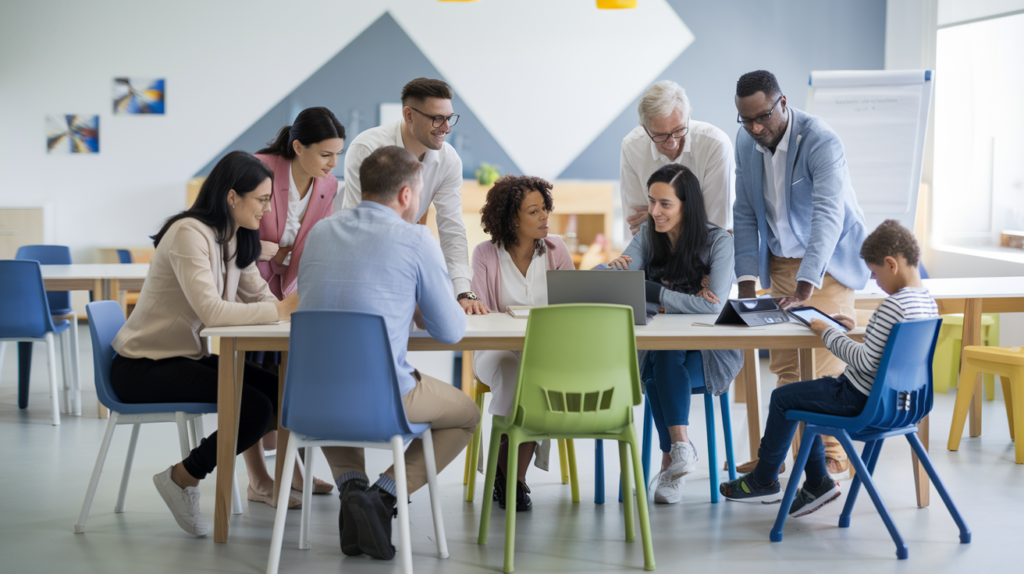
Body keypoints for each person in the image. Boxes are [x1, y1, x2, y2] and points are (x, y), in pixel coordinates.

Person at [298, 145, 480, 560]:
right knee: (466, 415)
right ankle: (381, 497)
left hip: (309, 399)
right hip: (385, 398)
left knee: (337, 391)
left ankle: (352, 492)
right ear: (404, 195)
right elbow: (450, 331)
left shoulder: (320, 232)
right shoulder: (415, 237)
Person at [110, 151, 301, 536]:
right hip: (141, 366)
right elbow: (214, 312)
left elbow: (260, 297)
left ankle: (206, 476)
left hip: (182, 357)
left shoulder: (234, 237)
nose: (267, 209)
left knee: (281, 393)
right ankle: (182, 477)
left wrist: (276, 309)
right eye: (262, 200)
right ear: (232, 197)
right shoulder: (188, 233)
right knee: (255, 408)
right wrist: (281, 310)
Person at [722, 220, 937, 516]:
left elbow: (862, 361)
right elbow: (887, 346)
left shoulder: (892, 307)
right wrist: (850, 327)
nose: (874, 281)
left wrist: (827, 331)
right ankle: (817, 483)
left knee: (784, 398)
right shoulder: (926, 303)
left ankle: (764, 479)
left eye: (874, 274)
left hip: (859, 400)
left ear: (891, 264)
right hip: (903, 407)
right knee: (806, 401)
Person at [732, 70, 870, 476]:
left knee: (823, 360)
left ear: (783, 103)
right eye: (746, 120)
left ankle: (830, 455)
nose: (756, 128)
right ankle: (774, 457)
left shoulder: (820, 139)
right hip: (781, 261)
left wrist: (808, 285)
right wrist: (745, 283)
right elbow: (744, 212)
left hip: (826, 264)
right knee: (787, 366)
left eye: (763, 117)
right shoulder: (745, 141)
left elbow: (829, 214)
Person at [604, 164, 742, 504]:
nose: (654, 212)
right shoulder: (648, 237)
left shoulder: (718, 242)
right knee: (662, 355)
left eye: (665, 204)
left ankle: (672, 461)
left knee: (658, 365)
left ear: (686, 205)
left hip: (710, 355)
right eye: (651, 202)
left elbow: (713, 307)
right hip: (661, 352)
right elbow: (615, 280)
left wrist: (654, 293)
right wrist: (615, 273)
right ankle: (680, 452)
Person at [250, 107, 345, 499]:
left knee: (287, 381)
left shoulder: (329, 186)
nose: (332, 163)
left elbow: (311, 243)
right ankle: (258, 478)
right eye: (325, 154)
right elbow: (227, 232)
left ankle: (295, 472)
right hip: (246, 285)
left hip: (287, 291)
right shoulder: (259, 168)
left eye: (337, 154)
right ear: (298, 147)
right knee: (248, 381)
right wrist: (269, 251)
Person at [470, 175, 576, 512]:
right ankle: (511, 478)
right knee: (512, 369)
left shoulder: (557, 250)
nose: (545, 216)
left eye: (545, 208)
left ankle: (508, 478)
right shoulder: (485, 255)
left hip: (545, 351)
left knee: (534, 372)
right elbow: (480, 317)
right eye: (534, 211)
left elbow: (572, 308)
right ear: (511, 218)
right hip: (495, 351)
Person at [342, 77, 487, 315]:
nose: (446, 127)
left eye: (449, 118)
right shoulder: (368, 148)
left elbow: (451, 226)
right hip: (358, 267)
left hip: (403, 265)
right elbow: (359, 225)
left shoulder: (449, 160)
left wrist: (463, 291)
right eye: (437, 118)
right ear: (409, 115)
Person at [620, 80, 734, 238]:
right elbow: (638, 228)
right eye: (660, 135)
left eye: (679, 130)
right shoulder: (632, 147)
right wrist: (690, 214)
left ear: (688, 117)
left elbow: (716, 227)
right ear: (645, 129)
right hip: (655, 258)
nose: (672, 142)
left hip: (707, 257)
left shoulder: (715, 144)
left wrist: (657, 218)